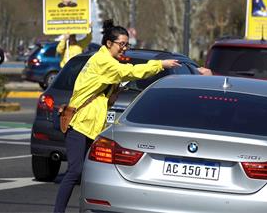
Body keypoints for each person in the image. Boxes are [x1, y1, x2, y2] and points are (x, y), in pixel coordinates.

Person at [53, 20, 181, 213]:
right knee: (75, 171)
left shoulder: (106, 60)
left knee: (88, 172)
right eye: (121, 44)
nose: (125, 48)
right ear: (108, 44)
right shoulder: (103, 62)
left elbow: (106, 90)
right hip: (79, 124)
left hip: (91, 126)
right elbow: (129, 72)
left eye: (126, 44)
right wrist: (159, 65)